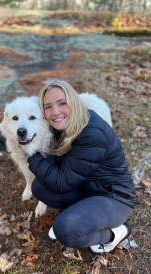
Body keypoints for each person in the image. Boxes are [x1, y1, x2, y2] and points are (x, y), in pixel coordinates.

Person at [27, 79, 136, 254]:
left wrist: (31, 154)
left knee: (66, 230)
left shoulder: (92, 133)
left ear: (74, 102)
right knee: (39, 187)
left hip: (113, 197)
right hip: (86, 187)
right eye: (48, 107)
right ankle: (79, 214)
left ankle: (114, 233)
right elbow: (59, 171)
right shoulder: (58, 126)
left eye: (62, 103)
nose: (55, 112)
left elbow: (61, 183)